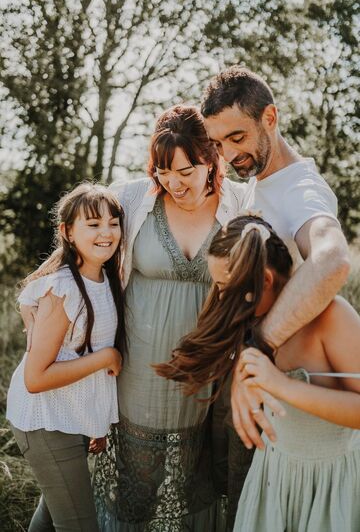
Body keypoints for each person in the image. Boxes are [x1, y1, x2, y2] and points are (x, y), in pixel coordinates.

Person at [92, 105, 247, 531]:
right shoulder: (130, 198)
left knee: (195, 485)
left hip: (203, 375)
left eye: (186, 171)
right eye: (163, 171)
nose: (173, 183)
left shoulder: (240, 203)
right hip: (137, 371)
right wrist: (44, 293)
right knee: (137, 488)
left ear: (211, 159)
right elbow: (81, 242)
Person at [158, 214, 360, 532]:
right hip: (274, 479)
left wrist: (280, 384)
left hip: (329, 485)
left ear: (265, 280)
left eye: (225, 287)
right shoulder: (252, 324)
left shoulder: (331, 316)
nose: (220, 297)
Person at [200, 65, 350, 450]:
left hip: (300, 403)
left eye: (237, 137)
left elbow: (332, 260)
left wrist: (258, 345)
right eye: (218, 144)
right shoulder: (258, 184)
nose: (228, 154)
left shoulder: (301, 190)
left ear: (270, 118)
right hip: (263, 391)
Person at [6, 183, 126, 532]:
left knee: (52, 517)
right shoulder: (63, 288)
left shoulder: (107, 278)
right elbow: (36, 378)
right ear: (67, 232)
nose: (106, 232)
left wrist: (96, 422)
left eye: (113, 222)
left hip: (72, 418)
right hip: (44, 421)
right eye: (93, 224)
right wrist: (106, 356)